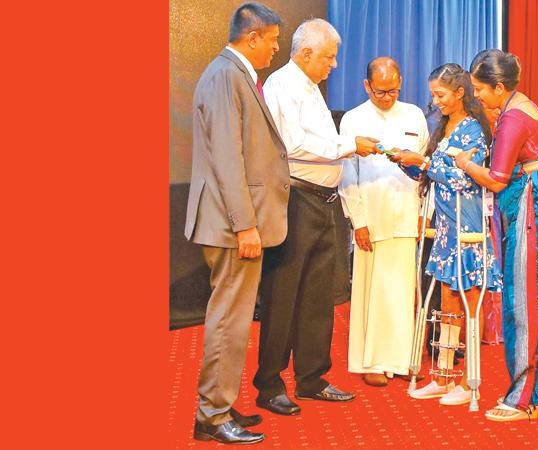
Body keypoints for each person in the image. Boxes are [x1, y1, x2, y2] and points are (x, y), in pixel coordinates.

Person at [253, 18, 381, 416]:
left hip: (323, 201)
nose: (334, 65)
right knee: (283, 294)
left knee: (317, 296)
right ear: (305, 53)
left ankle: (311, 377)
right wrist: (348, 145)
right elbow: (291, 144)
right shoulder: (281, 86)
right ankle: (269, 383)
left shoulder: (310, 87)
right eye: (328, 57)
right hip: (295, 199)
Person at [457, 49, 538, 421]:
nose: (475, 95)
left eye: (479, 88)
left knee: (525, 301)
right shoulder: (522, 107)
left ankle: (522, 399)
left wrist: (465, 163)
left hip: (536, 207)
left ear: (498, 87)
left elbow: (497, 178)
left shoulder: (512, 117)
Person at [184, 2, 288, 444]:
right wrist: (245, 225)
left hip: (233, 221)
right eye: (273, 40)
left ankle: (218, 404)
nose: (276, 48)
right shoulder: (227, 75)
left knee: (234, 319)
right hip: (232, 225)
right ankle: (212, 415)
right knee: (228, 320)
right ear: (253, 38)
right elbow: (228, 158)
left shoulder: (232, 74)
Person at [390, 63, 503, 406]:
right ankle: (443, 375)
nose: (435, 101)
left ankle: (467, 383)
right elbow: (438, 175)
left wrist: (424, 163)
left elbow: (463, 178)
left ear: (460, 92)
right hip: (444, 225)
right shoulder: (444, 127)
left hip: (467, 225)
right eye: (433, 95)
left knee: (467, 298)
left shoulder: (473, 130)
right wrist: (410, 164)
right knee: (447, 300)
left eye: (440, 94)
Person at [338, 57, 430, 387]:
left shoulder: (415, 115)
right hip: (371, 217)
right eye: (380, 91)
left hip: (406, 213)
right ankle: (372, 361)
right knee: (371, 290)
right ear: (367, 86)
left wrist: (424, 213)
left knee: (403, 291)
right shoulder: (353, 120)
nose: (387, 96)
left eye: (393, 90)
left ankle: (403, 359)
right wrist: (357, 221)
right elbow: (347, 175)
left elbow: (425, 169)